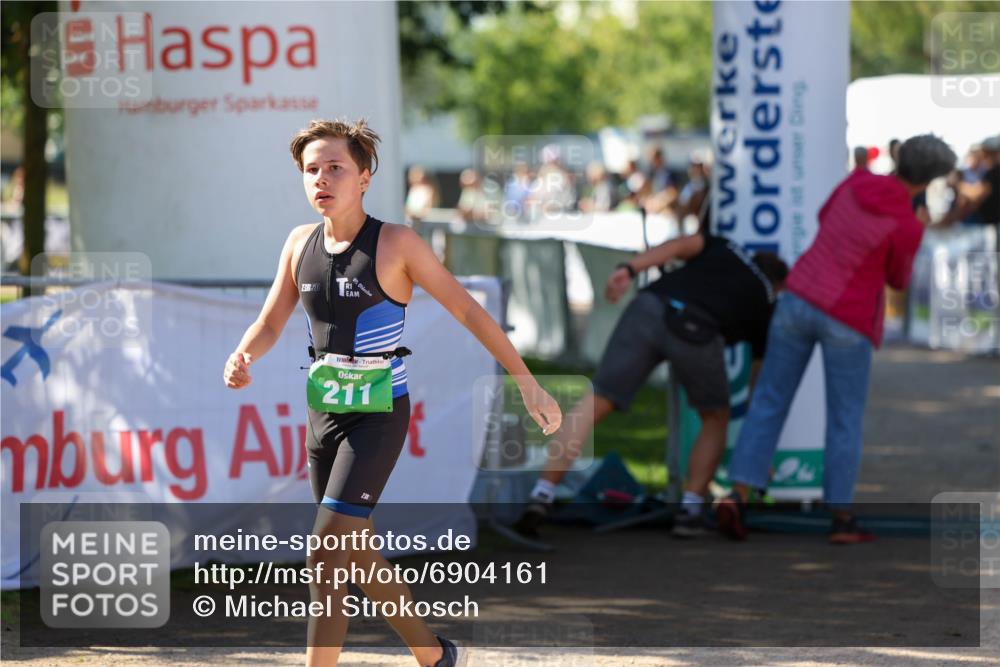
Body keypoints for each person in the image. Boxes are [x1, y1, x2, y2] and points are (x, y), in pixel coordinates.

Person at [223, 118, 562, 667]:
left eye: (335, 168)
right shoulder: (297, 244)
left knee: (324, 547)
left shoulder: (397, 243)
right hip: (323, 412)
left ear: (364, 176)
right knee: (351, 554)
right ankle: (434, 655)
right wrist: (241, 356)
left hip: (378, 414)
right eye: (312, 170)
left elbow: (468, 311)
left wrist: (526, 383)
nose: (322, 179)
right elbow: (269, 323)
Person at [715, 134, 957, 545]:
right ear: (931, 179)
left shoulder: (856, 181)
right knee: (844, 418)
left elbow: (824, 215)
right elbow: (897, 279)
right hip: (849, 316)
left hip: (799, 296)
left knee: (770, 400)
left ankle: (738, 494)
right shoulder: (906, 223)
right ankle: (841, 517)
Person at [514, 229, 789, 538]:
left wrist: (630, 269)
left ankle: (543, 492)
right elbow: (759, 373)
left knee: (597, 399)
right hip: (699, 330)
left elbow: (679, 245)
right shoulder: (768, 303)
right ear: (779, 285)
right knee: (715, 418)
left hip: (650, 307)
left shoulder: (727, 247)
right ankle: (691, 508)